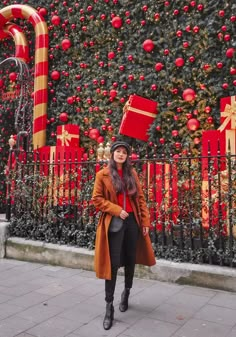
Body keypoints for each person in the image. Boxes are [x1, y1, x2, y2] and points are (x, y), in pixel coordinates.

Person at [92, 141, 156, 330]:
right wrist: (116, 209)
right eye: (118, 151)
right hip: (113, 224)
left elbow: (141, 199)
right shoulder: (102, 175)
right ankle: (109, 306)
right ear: (112, 154)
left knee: (130, 260)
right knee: (111, 265)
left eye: (124, 152)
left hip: (132, 224)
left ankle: (126, 291)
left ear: (127, 156)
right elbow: (97, 199)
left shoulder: (132, 174)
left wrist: (144, 222)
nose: (121, 154)